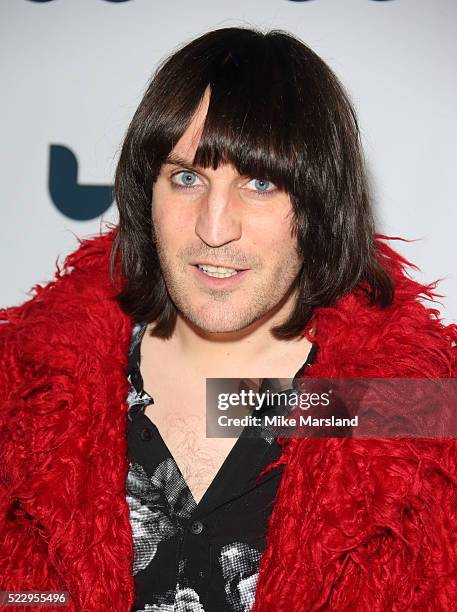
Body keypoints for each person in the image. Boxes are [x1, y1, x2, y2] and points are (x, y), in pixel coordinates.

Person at [1, 26, 456, 612]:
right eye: (187, 178)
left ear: (321, 206)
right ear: (146, 193)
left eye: (260, 183)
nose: (215, 229)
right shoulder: (27, 391)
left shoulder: (407, 412)